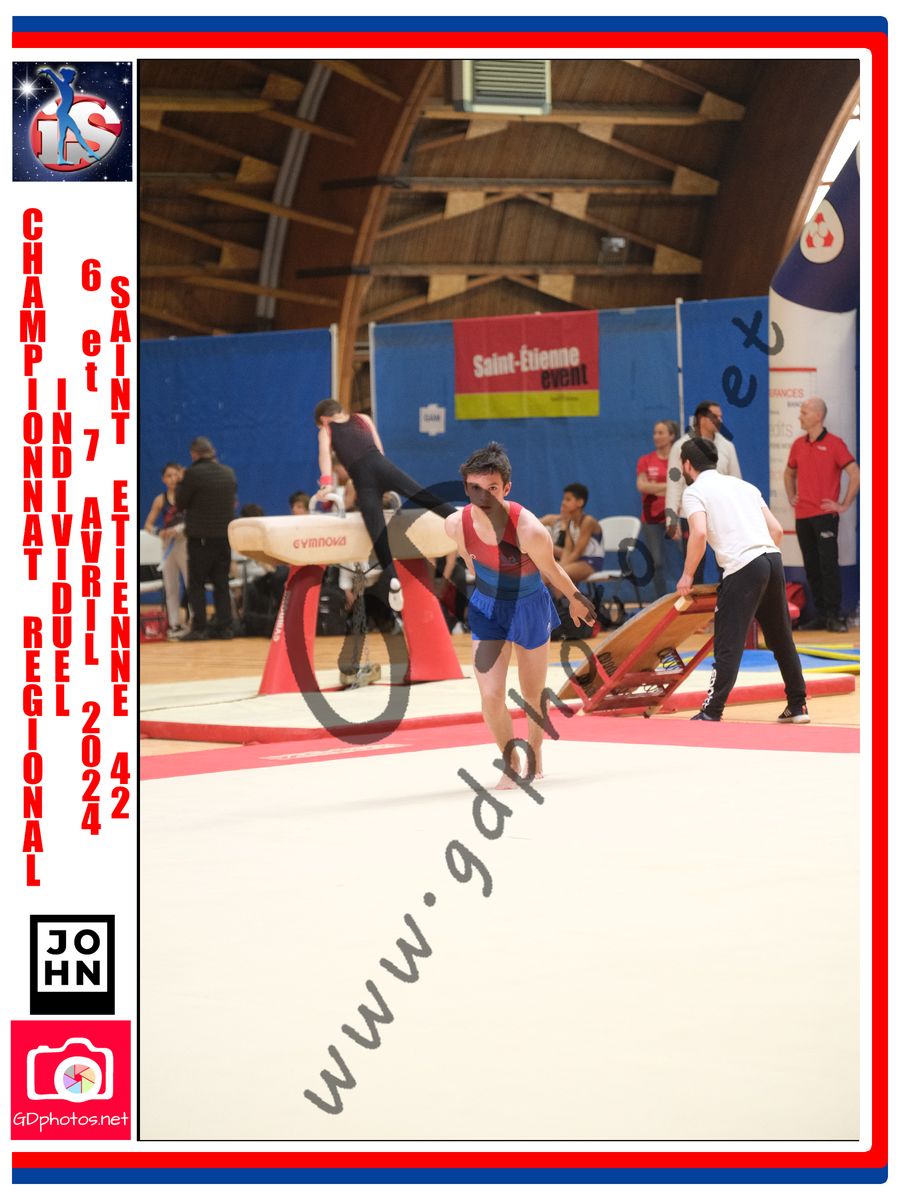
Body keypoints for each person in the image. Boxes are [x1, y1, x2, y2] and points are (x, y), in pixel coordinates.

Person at [444, 443, 597, 787]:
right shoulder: (455, 525)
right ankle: (510, 759)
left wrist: (575, 600)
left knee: (532, 693)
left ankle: (535, 749)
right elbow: (472, 565)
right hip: (487, 608)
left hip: (529, 607)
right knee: (490, 695)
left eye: (492, 488)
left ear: (507, 488)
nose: (484, 497)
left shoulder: (529, 529)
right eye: (475, 489)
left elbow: (553, 570)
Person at [676, 438, 809, 724]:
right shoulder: (744, 486)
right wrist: (759, 559)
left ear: (687, 465)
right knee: (781, 638)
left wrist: (687, 575)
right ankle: (798, 706)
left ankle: (712, 710)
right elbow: (776, 530)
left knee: (728, 641)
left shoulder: (694, 491)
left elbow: (699, 533)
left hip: (743, 566)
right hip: (772, 559)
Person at [312, 398, 456, 612]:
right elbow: (378, 448)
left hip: (362, 480)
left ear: (324, 419)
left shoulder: (327, 430)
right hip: (382, 466)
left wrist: (326, 485)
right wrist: (384, 481)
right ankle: (462, 518)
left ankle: (392, 580)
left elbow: (324, 455)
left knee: (377, 534)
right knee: (421, 495)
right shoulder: (363, 418)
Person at [783, 397, 859, 633]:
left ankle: (834, 616)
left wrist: (843, 504)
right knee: (812, 566)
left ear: (818, 416)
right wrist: (791, 496)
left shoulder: (835, 444)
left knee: (828, 566)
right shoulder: (798, 444)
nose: (800, 416)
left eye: (804, 412)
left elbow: (855, 473)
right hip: (803, 516)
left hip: (825, 516)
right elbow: (788, 473)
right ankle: (822, 615)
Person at [666, 402, 742, 582]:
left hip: (721, 514)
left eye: (721, 416)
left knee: (726, 564)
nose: (720, 420)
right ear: (701, 419)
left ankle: (726, 597)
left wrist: (736, 514)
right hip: (690, 514)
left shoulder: (727, 446)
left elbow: (736, 481)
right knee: (694, 566)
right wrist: (671, 518)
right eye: (715, 416)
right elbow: (674, 483)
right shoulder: (681, 446)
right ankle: (692, 599)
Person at [175, 436, 238, 641]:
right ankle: (225, 627)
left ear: (194, 454)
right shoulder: (228, 473)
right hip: (224, 537)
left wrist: (180, 481)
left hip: (201, 538)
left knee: (197, 584)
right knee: (221, 583)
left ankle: (200, 628)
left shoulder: (193, 474)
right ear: (212, 452)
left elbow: (180, 503)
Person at [143, 462, 189, 638]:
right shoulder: (160, 499)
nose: (173, 479)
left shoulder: (187, 497)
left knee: (191, 584)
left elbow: (195, 518)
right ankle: (174, 624)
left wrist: (181, 529)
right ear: (163, 479)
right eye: (169, 476)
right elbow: (148, 525)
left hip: (185, 543)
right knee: (171, 586)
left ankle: (193, 621)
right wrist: (159, 532)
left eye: (175, 475)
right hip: (168, 546)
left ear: (181, 476)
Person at [636, 420, 680, 598]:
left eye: (661, 433)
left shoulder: (678, 460)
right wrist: (670, 486)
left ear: (672, 436)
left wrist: (654, 486)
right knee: (656, 562)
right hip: (651, 518)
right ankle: (661, 600)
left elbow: (682, 488)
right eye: (655, 432)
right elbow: (642, 486)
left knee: (688, 557)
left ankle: (687, 598)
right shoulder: (645, 460)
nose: (656, 436)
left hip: (675, 515)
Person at [539, 483, 604, 584]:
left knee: (555, 574)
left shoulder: (588, 522)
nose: (563, 502)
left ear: (580, 502)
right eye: (563, 499)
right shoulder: (570, 523)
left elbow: (577, 552)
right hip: (577, 561)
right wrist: (559, 565)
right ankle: (566, 595)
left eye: (568, 499)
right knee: (547, 573)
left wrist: (559, 567)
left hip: (590, 562)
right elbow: (567, 550)